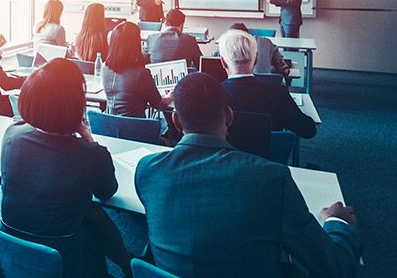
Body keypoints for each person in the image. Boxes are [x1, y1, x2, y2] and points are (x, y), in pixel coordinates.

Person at [136, 72, 362, 278]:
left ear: (175, 121)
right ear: (229, 116)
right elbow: (335, 268)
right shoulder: (270, 178)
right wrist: (336, 221)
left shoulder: (147, 170)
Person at [0, 58, 132, 278]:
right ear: (75, 106)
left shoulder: (11, 134)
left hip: (9, 245)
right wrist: (90, 140)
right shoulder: (89, 154)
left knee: (90, 210)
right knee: (92, 212)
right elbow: (107, 191)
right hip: (59, 258)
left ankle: (127, 264)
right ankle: (128, 266)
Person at [218, 29, 316, 138]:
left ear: (222, 62)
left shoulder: (215, 96)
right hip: (269, 154)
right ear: (256, 59)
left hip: (227, 153)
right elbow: (308, 131)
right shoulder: (278, 93)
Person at [102, 22, 173, 118]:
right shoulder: (141, 74)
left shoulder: (104, 68)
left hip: (110, 126)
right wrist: (170, 96)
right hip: (136, 128)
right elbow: (157, 104)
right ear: (135, 44)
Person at [213, 23, 290, 77]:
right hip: (264, 86)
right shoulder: (265, 42)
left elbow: (212, 60)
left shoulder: (225, 44)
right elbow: (283, 67)